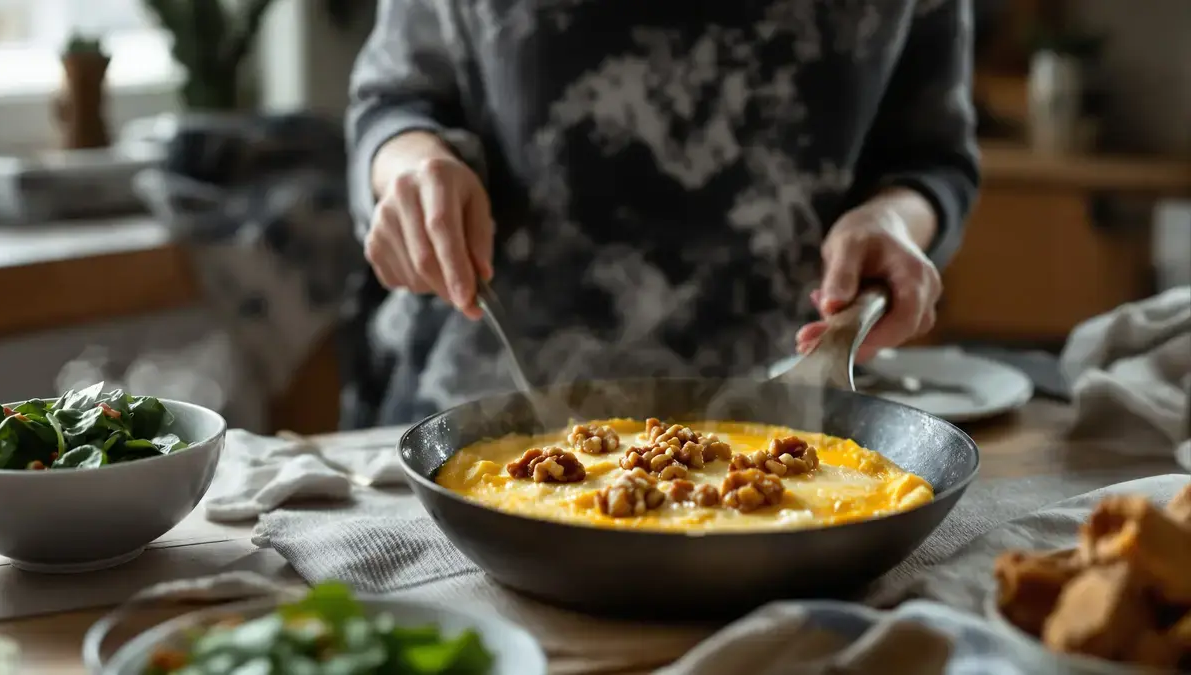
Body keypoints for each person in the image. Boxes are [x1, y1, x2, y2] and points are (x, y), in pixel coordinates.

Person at [345, 0, 979, 426]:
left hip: (787, 406)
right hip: (478, 406)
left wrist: (893, 221)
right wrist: (410, 165)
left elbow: (929, 159)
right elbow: (394, 101)